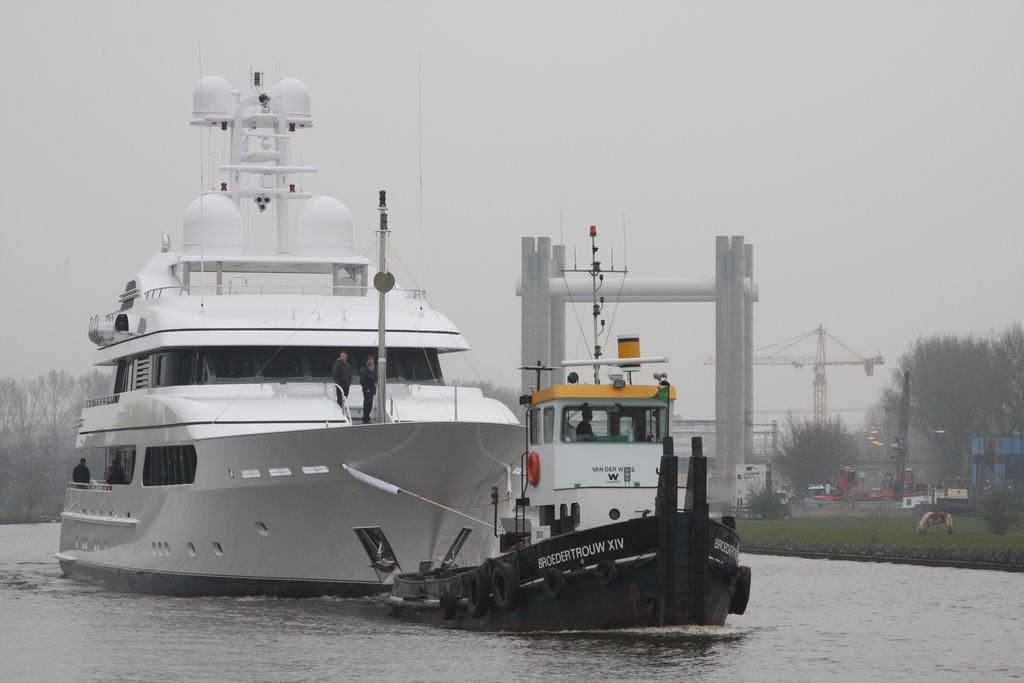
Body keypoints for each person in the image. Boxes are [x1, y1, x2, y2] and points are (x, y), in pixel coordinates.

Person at [360, 355, 377, 424]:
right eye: (370, 366)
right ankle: (365, 418)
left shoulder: (373, 373)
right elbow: (362, 382)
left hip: (372, 391)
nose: (372, 367)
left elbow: (374, 381)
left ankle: (367, 417)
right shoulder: (365, 373)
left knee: (370, 405)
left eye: (373, 366)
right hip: (367, 392)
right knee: (367, 405)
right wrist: (366, 389)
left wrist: (374, 390)